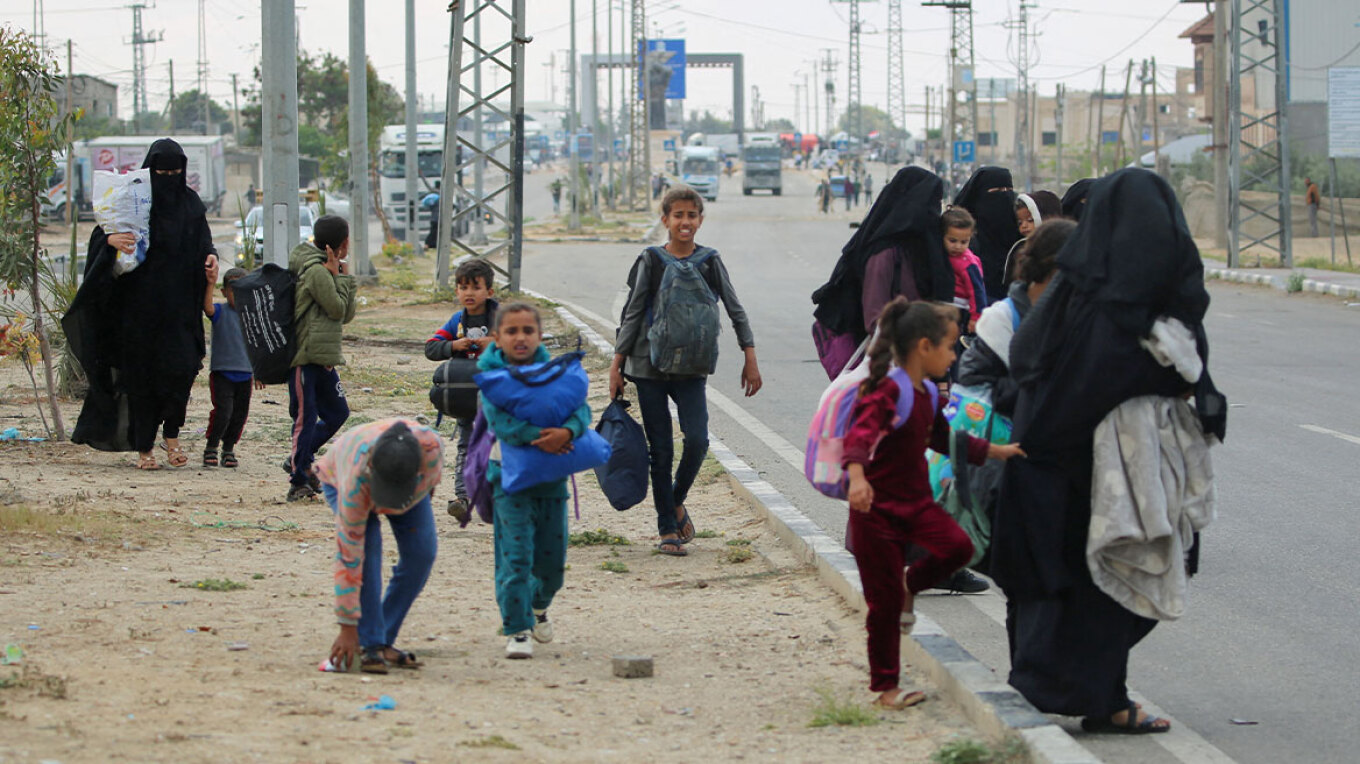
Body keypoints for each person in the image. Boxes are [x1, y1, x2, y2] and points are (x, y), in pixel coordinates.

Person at [992, 168, 1226, 735]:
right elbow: (1123, 378)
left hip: (1048, 466)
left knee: (1068, 586)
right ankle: (1101, 699)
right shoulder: (1122, 304)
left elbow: (1029, 365)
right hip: (1094, 473)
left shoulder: (1076, 291)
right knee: (1105, 583)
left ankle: (1070, 691)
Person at [843, 298, 1024, 710]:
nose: (955, 355)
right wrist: (856, 478)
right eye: (949, 346)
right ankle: (886, 686)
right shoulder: (888, 390)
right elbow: (859, 436)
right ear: (924, 347)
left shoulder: (926, 391)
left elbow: (945, 438)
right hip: (875, 514)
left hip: (917, 505)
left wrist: (993, 451)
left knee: (959, 547)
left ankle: (911, 584)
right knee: (884, 607)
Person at [611, 186, 762, 557]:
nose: (685, 222)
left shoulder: (710, 261)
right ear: (665, 219)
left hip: (692, 366)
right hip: (647, 365)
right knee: (661, 449)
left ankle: (675, 500)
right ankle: (667, 527)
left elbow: (735, 308)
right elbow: (633, 312)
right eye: (677, 215)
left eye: (691, 215)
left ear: (700, 220)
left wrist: (750, 354)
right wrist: (617, 365)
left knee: (697, 440)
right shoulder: (651, 260)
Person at [66, 138, 218, 470]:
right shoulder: (133, 201)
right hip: (138, 311)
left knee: (181, 371)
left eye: (175, 173)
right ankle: (145, 447)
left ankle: (172, 435)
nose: (168, 179)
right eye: (162, 173)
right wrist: (110, 241)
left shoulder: (191, 204)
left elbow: (204, 241)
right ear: (150, 171)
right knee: (142, 379)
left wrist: (211, 257)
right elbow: (102, 235)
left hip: (180, 309)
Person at [479, 302, 590, 659]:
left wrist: (568, 431)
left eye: (528, 330)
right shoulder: (492, 379)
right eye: (511, 331)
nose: (520, 337)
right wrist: (544, 437)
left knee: (552, 566)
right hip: (509, 484)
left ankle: (538, 607)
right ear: (497, 338)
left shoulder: (557, 374)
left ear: (540, 336)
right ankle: (517, 628)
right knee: (516, 559)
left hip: (552, 483)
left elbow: (581, 409)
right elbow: (502, 424)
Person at [321, 418, 443, 674]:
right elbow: (350, 558)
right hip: (342, 474)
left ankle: (381, 638)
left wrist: (420, 496)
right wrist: (347, 627)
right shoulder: (355, 482)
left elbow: (431, 483)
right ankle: (371, 643)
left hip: (410, 484)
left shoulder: (431, 450)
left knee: (422, 553)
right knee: (367, 552)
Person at [286, 215, 358, 502]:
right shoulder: (315, 271)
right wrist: (337, 278)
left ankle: (301, 458)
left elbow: (346, 314)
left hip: (325, 356)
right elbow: (337, 308)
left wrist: (343, 278)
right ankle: (298, 481)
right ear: (341, 243)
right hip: (305, 356)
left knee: (338, 413)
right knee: (305, 419)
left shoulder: (328, 270)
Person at [425, 258, 499, 520]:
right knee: (466, 446)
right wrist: (453, 346)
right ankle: (461, 497)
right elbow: (431, 348)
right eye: (463, 287)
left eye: (476, 287)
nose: (469, 293)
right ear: (456, 291)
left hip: (498, 398)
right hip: (467, 397)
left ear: (489, 291)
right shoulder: (456, 322)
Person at [200, 266, 264, 468]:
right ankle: (211, 446)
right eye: (233, 290)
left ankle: (228, 449)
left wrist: (260, 371)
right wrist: (210, 283)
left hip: (246, 375)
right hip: (222, 373)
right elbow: (207, 308)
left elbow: (257, 346)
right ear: (224, 292)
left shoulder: (253, 317)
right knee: (223, 412)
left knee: (239, 415)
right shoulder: (220, 311)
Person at [952, 166, 1022, 303]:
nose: (1005, 196)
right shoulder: (963, 238)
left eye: (1009, 190)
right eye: (997, 191)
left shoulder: (1019, 232)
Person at [941, 207, 986, 334]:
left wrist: (976, 317)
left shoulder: (968, 263)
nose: (958, 246)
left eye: (964, 242)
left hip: (961, 310)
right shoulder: (942, 254)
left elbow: (977, 291)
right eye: (952, 241)